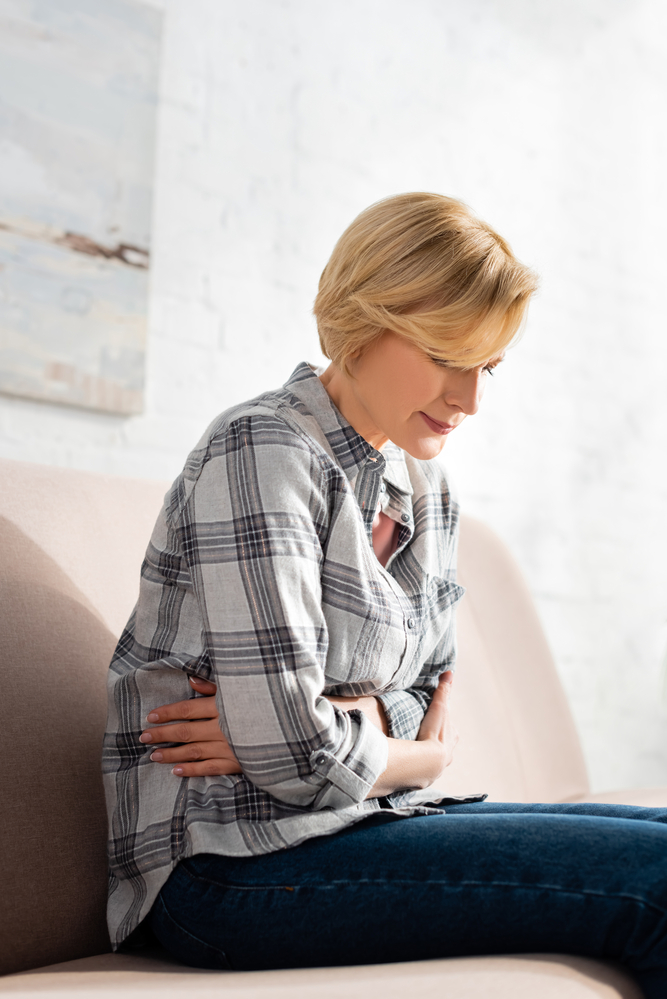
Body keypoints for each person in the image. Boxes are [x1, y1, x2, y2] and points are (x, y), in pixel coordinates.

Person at [104, 193, 667, 997]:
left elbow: (418, 692)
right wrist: (417, 756)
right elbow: (303, 754)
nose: (470, 400)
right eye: (448, 357)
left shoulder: (426, 486)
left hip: (355, 821)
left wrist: (344, 726)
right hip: (226, 866)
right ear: (365, 320)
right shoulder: (264, 447)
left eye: (488, 368)